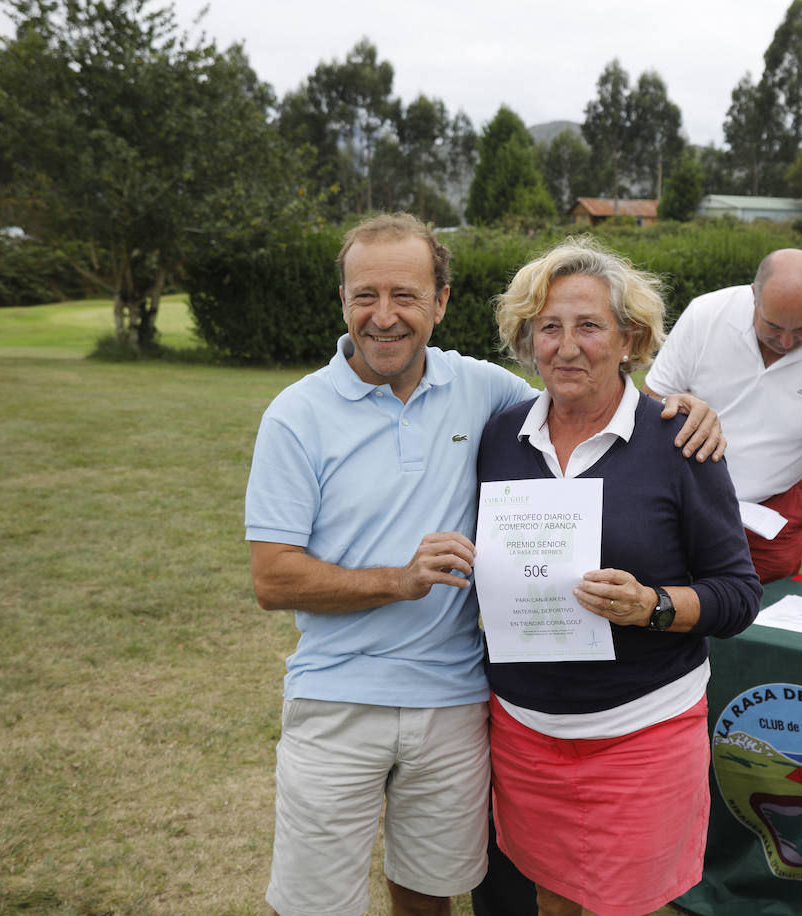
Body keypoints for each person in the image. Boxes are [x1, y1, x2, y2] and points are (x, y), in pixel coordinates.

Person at [244, 213, 725, 916]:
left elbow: (588, 388)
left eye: (405, 295)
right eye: (364, 295)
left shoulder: (486, 395)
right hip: (338, 697)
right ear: (342, 301)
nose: (384, 317)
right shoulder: (296, 415)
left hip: (456, 700)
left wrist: (681, 409)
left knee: (430, 894)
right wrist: (398, 581)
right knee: (316, 904)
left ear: (440, 302)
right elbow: (272, 578)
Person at [477, 237, 762, 915]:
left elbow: (738, 592)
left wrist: (652, 606)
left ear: (630, 340)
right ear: (527, 339)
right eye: (549, 327)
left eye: (589, 326)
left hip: (642, 732)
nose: (567, 347)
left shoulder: (679, 441)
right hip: (525, 732)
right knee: (551, 898)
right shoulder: (499, 436)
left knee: (626, 906)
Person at [642, 248, 802, 609]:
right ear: (753, 294)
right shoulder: (707, 315)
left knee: (765, 609)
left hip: (773, 510)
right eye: (773, 326)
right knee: (673, 597)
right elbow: (653, 399)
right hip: (689, 496)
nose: (786, 343)